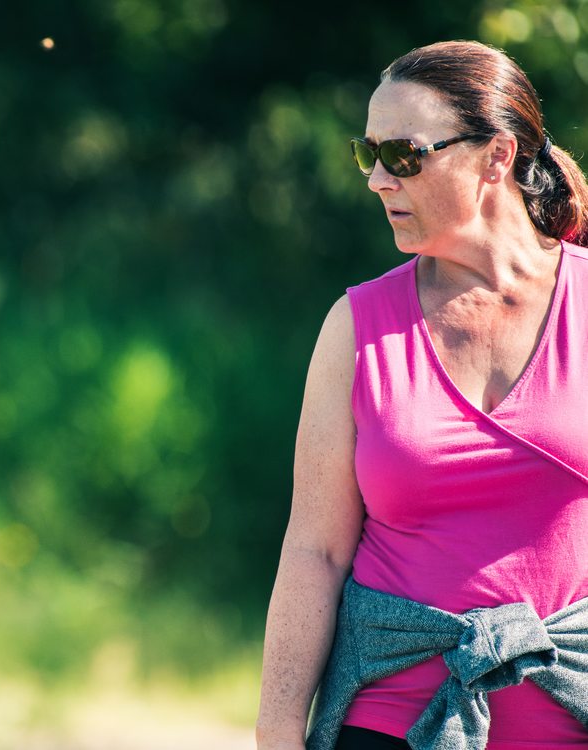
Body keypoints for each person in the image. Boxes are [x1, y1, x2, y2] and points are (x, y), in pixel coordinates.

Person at [255, 40, 588, 750]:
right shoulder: (355, 326)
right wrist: (277, 733)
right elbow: (314, 550)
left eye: (403, 155)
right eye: (365, 154)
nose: (377, 180)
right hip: (388, 724)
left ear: (496, 157)